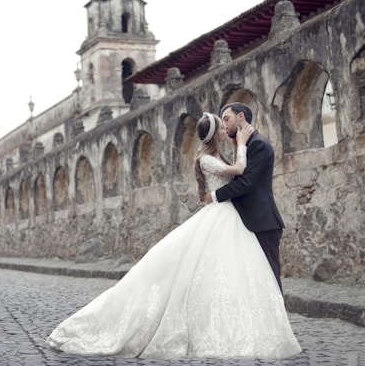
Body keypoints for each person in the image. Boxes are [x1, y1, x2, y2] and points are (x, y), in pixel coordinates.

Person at [46, 112, 301, 359]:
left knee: (231, 273)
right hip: (222, 216)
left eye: (227, 120)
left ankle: (247, 321)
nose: (225, 128)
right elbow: (239, 172)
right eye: (221, 125)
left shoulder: (233, 151)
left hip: (232, 217)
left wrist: (229, 164)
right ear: (214, 135)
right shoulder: (208, 159)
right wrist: (239, 148)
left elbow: (243, 180)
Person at [205, 102, 285, 291]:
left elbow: (245, 184)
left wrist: (214, 195)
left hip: (262, 222)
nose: (224, 125)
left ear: (241, 116)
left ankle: (276, 319)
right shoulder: (243, 146)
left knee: (270, 277)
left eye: (227, 119)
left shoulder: (258, 144)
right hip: (248, 222)